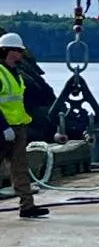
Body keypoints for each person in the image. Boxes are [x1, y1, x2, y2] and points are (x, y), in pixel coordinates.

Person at [0, 32, 49, 218]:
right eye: (18, 50)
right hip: (3, 129)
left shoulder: (16, 74)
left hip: (18, 127)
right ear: (7, 51)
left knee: (20, 168)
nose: (21, 54)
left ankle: (27, 206)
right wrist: (3, 127)